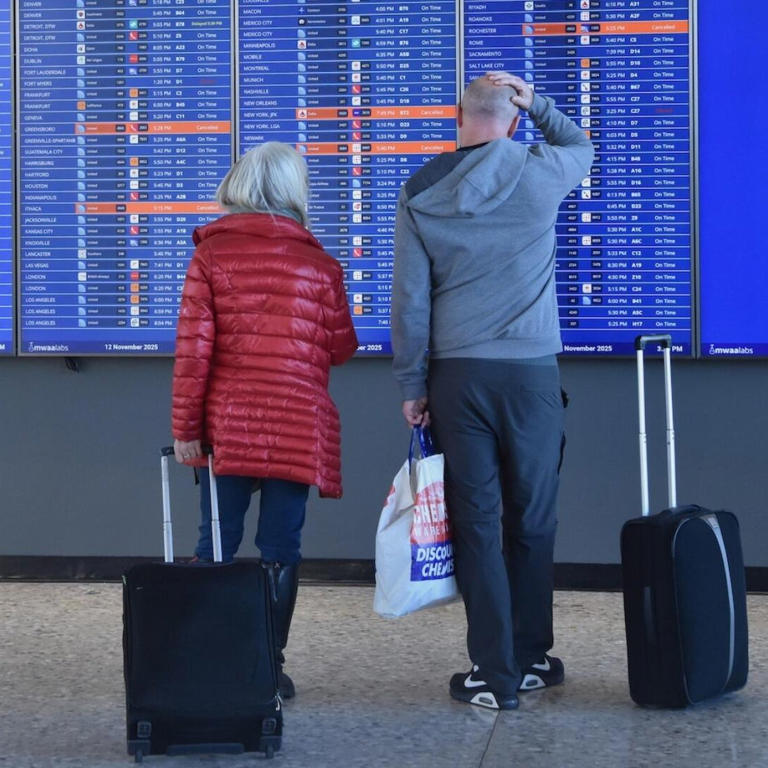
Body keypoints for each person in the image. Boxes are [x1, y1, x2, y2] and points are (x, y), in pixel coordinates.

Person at [391, 72, 594, 710]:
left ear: (459, 118)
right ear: (511, 121)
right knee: (532, 517)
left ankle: (494, 673)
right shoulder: (540, 172)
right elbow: (583, 146)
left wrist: (413, 382)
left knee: (476, 523)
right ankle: (533, 657)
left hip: (458, 378)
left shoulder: (421, 190)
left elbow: (411, 302)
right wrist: (542, 106)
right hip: (532, 374)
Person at [171, 142, 358, 699]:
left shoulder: (210, 257)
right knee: (281, 547)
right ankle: (267, 670)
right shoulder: (320, 263)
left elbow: (192, 352)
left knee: (216, 547)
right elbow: (341, 347)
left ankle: (214, 665)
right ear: (296, 191)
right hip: (298, 421)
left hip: (226, 424)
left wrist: (186, 430)